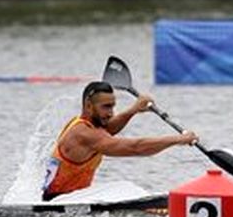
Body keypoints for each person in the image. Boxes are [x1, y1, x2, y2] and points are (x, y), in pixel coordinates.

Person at [41, 80, 197, 200]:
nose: (111, 113)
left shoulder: (83, 123)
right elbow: (135, 148)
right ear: (89, 106)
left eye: (113, 107)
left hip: (68, 198)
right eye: (106, 107)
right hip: (59, 203)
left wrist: (135, 109)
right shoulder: (84, 134)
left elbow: (109, 128)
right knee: (126, 188)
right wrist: (178, 139)